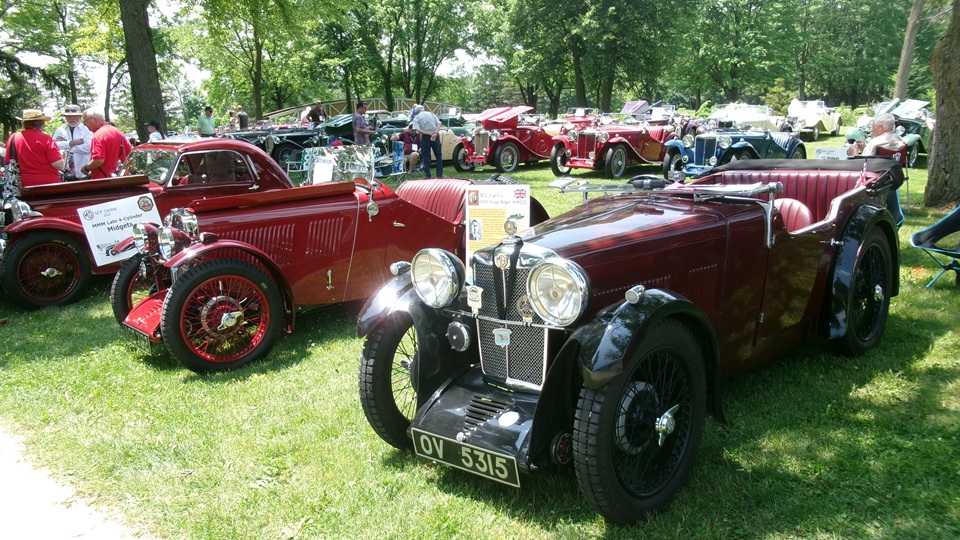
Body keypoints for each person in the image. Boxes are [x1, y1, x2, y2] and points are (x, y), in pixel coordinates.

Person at [3, 109, 64, 187]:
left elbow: (7, 161)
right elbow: (58, 165)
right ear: (41, 123)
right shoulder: (46, 138)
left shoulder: (13, 138)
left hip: (22, 185)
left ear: (24, 123)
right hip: (48, 185)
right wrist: (62, 156)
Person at [80, 109, 132, 179]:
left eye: (85, 121)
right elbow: (130, 155)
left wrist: (86, 168)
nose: (84, 124)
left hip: (103, 181)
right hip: (122, 179)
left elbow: (98, 160)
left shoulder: (98, 135)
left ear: (94, 119)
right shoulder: (118, 132)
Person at [53, 104, 92, 178]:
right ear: (65, 117)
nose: (72, 118)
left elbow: (88, 147)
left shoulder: (87, 129)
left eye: (74, 116)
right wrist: (72, 142)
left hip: (83, 171)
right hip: (65, 172)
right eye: (69, 116)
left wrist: (67, 145)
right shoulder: (60, 130)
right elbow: (54, 146)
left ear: (80, 116)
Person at [411, 104, 443, 178]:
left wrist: (429, 133)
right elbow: (439, 123)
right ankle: (439, 175)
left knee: (426, 157)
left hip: (425, 137)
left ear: (416, 112)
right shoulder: (431, 113)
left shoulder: (416, 118)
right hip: (435, 135)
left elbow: (417, 130)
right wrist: (435, 133)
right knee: (438, 156)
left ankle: (428, 175)